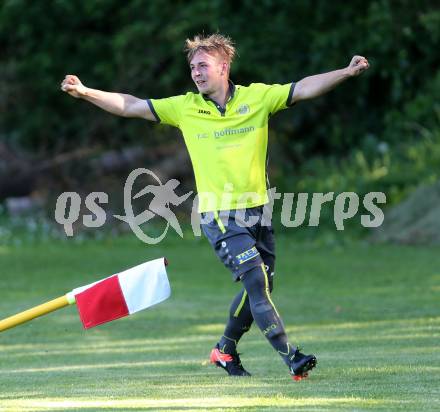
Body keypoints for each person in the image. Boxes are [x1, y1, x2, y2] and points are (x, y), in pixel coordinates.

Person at [61, 33, 369, 380]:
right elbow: (131, 105)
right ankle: (291, 357)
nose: (196, 73)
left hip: (259, 211)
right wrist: (86, 92)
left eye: (203, 65)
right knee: (255, 282)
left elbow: (304, 88)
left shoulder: (258, 97)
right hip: (220, 216)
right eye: (192, 67)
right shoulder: (185, 107)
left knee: (262, 284)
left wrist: (344, 72)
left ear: (224, 67)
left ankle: (224, 349)